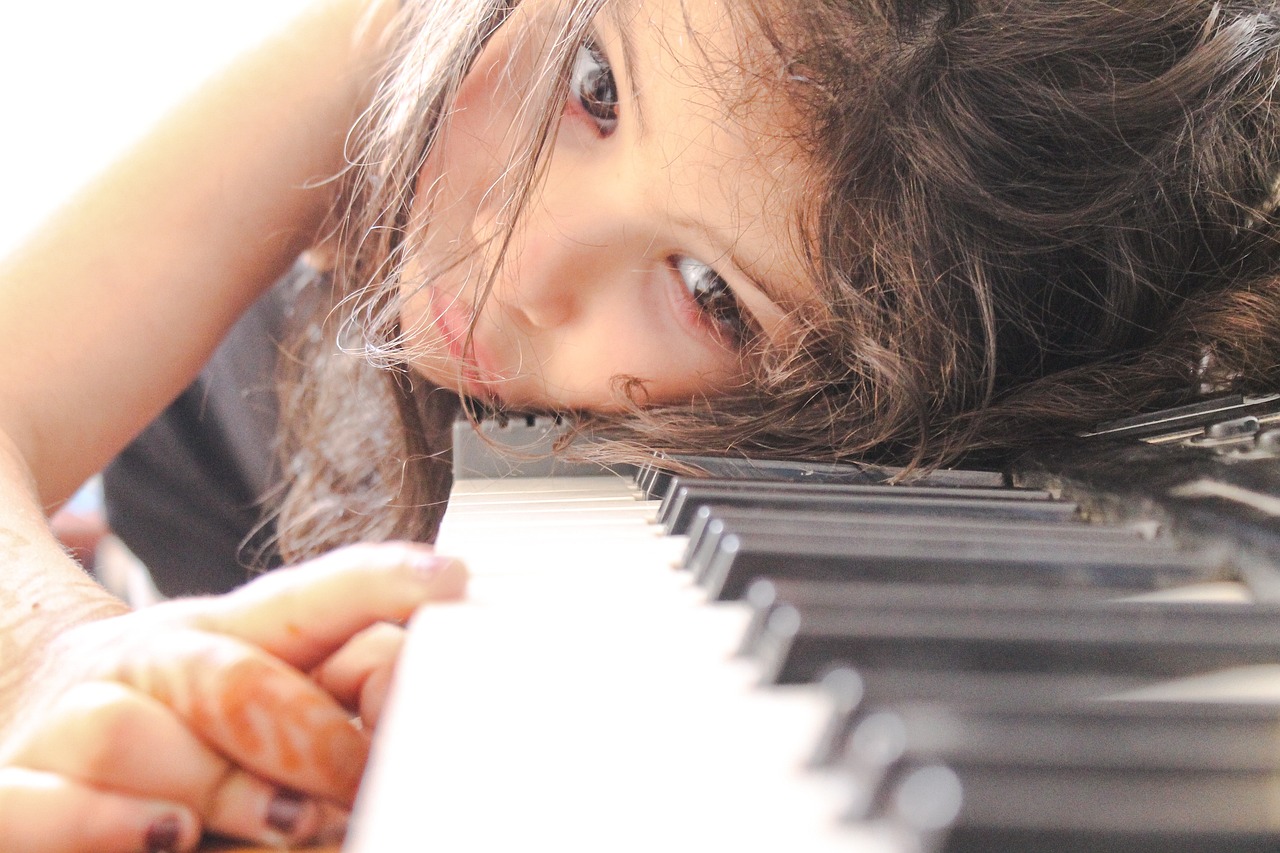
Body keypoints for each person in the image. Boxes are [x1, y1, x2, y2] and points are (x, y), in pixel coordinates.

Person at [2, 0, 1279, 849]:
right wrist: (55, 647)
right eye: (594, 86)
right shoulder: (403, 29)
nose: (520, 263)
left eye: (711, 293)